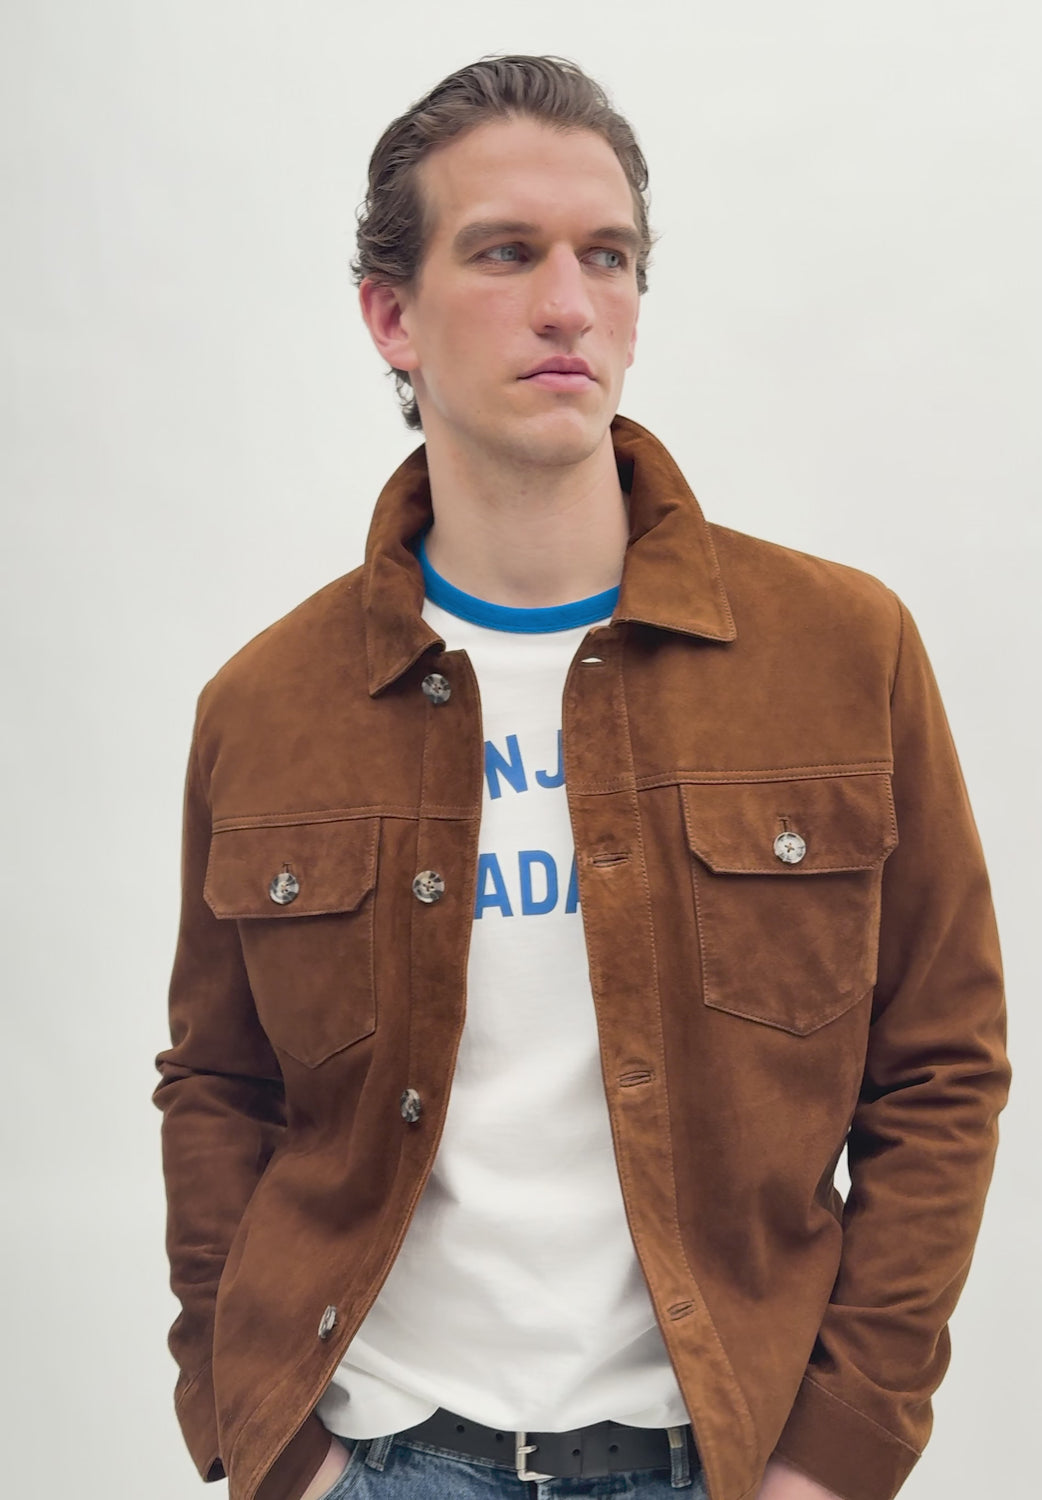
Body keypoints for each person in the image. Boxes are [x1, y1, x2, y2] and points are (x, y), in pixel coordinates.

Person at [153, 54, 1010, 1500]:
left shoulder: (839, 651)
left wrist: (838, 1455)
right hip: (383, 1460)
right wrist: (263, 1443)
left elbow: (942, 1065)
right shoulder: (268, 705)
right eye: (506, 253)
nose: (568, 304)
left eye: (605, 256)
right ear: (391, 316)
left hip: (722, 1461)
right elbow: (218, 1088)